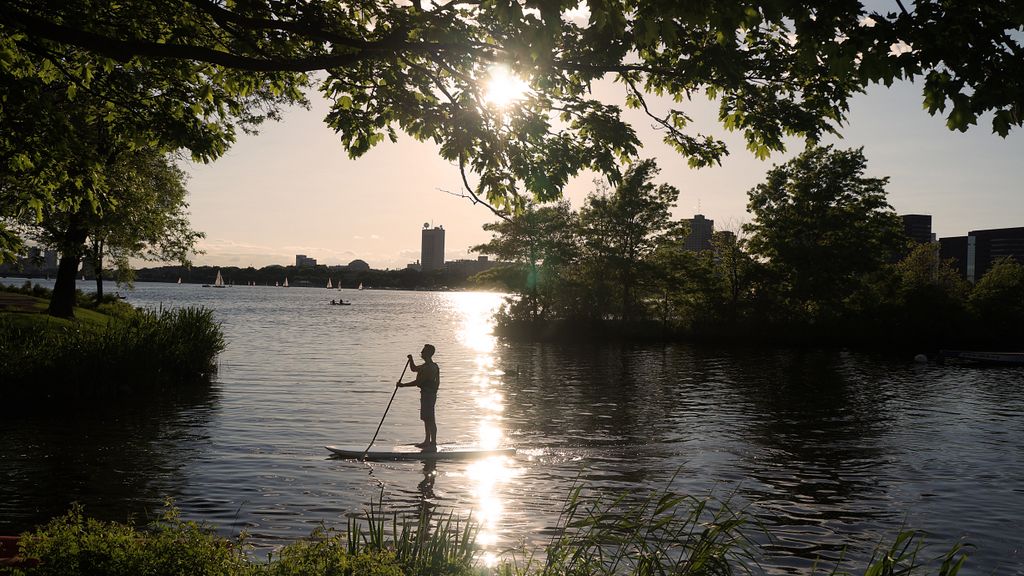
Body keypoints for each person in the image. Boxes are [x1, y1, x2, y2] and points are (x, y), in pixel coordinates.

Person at [397, 344, 440, 450]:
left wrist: (403, 385)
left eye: (423, 351)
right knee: (426, 418)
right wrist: (411, 359)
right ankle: (427, 441)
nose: (421, 352)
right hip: (427, 394)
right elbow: (414, 369)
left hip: (429, 395)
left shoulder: (430, 367)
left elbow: (418, 382)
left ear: (428, 353)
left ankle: (433, 443)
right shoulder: (426, 366)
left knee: (430, 418)